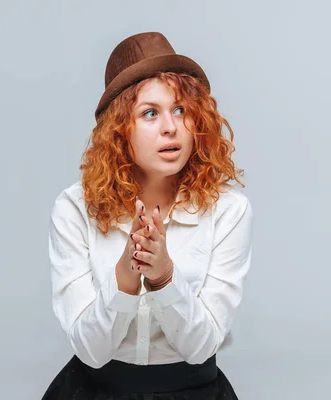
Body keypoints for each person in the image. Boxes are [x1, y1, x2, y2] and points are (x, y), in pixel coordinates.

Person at [41, 31, 253, 399]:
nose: (170, 126)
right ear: (118, 131)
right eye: (150, 113)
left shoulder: (229, 210)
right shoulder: (73, 208)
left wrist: (164, 279)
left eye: (181, 109)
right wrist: (125, 277)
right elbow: (90, 351)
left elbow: (202, 347)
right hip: (95, 389)